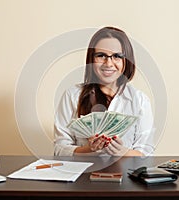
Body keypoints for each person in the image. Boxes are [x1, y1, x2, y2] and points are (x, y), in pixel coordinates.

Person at [54, 26, 154, 156]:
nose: (108, 63)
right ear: (91, 59)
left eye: (117, 56)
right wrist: (89, 149)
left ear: (126, 61)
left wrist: (122, 152)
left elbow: (146, 153)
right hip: (83, 174)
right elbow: (59, 149)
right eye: (101, 55)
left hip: (125, 174)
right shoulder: (72, 95)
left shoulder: (140, 100)